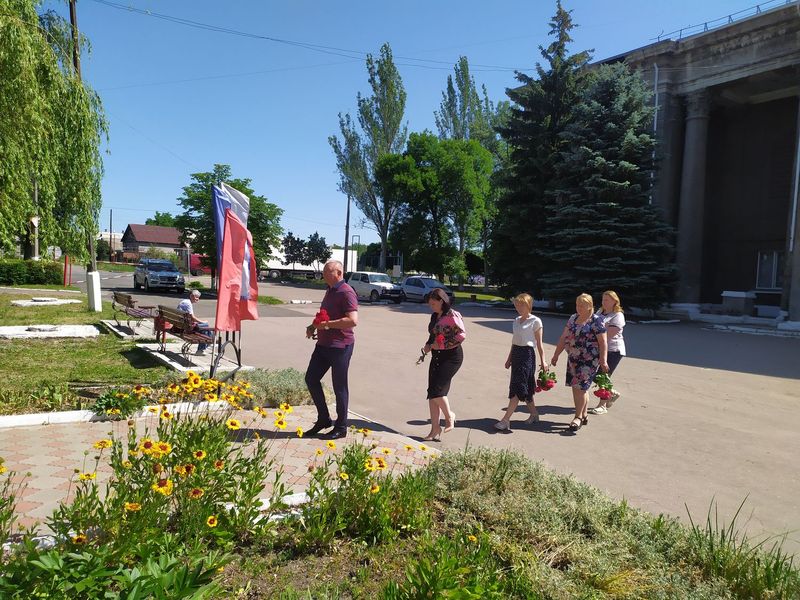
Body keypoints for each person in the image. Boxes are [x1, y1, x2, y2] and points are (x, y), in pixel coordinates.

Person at [304, 260, 358, 440]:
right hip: (323, 345)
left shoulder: (347, 292)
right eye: (324, 272)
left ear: (338, 273)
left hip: (340, 346)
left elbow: (352, 320)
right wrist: (313, 326)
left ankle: (341, 427)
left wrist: (326, 325)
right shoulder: (330, 290)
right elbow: (323, 316)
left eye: (327, 273)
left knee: (339, 386)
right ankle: (324, 419)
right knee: (311, 378)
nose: (324, 275)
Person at [550, 293, 608, 432]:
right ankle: (584, 414)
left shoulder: (596, 320)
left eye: (582, 305)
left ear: (590, 306)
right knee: (579, 388)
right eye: (577, 305)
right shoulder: (573, 318)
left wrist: (603, 359)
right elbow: (564, 337)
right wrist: (556, 354)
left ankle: (577, 417)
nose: (579, 308)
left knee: (580, 388)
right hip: (573, 359)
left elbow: (603, 342)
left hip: (589, 360)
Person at [495, 293, 547, 431]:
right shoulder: (516, 320)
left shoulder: (536, 321)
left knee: (518, 387)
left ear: (528, 305)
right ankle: (534, 414)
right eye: (517, 304)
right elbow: (514, 341)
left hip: (527, 356)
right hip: (517, 354)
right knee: (526, 388)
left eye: (521, 304)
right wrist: (509, 358)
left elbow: (540, 344)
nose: (518, 307)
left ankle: (506, 420)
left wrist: (544, 361)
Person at [419, 287, 465, 441]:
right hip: (437, 356)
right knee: (432, 394)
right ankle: (435, 429)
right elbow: (433, 335)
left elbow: (461, 336)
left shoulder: (452, 315)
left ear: (441, 301)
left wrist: (442, 345)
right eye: (430, 304)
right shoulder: (435, 316)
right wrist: (428, 345)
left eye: (433, 304)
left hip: (452, 357)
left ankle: (449, 416)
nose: (431, 306)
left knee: (438, 390)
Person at [588, 290, 626, 414]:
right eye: (603, 299)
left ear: (615, 301)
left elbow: (607, 335)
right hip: (598, 348)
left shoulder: (617, 315)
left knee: (603, 376)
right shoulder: (600, 312)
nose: (604, 302)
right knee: (592, 374)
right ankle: (611, 393)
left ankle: (602, 406)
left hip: (613, 350)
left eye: (607, 300)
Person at [176, 290, 213, 354]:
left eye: (198, 297)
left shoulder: (184, 301)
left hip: (181, 324)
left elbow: (190, 318)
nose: (198, 299)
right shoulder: (188, 304)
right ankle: (203, 347)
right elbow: (193, 318)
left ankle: (208, 343)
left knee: (206, 328)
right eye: (196, 297)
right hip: (185, 327)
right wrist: (202, 322)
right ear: (191, 296)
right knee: (206, 328)